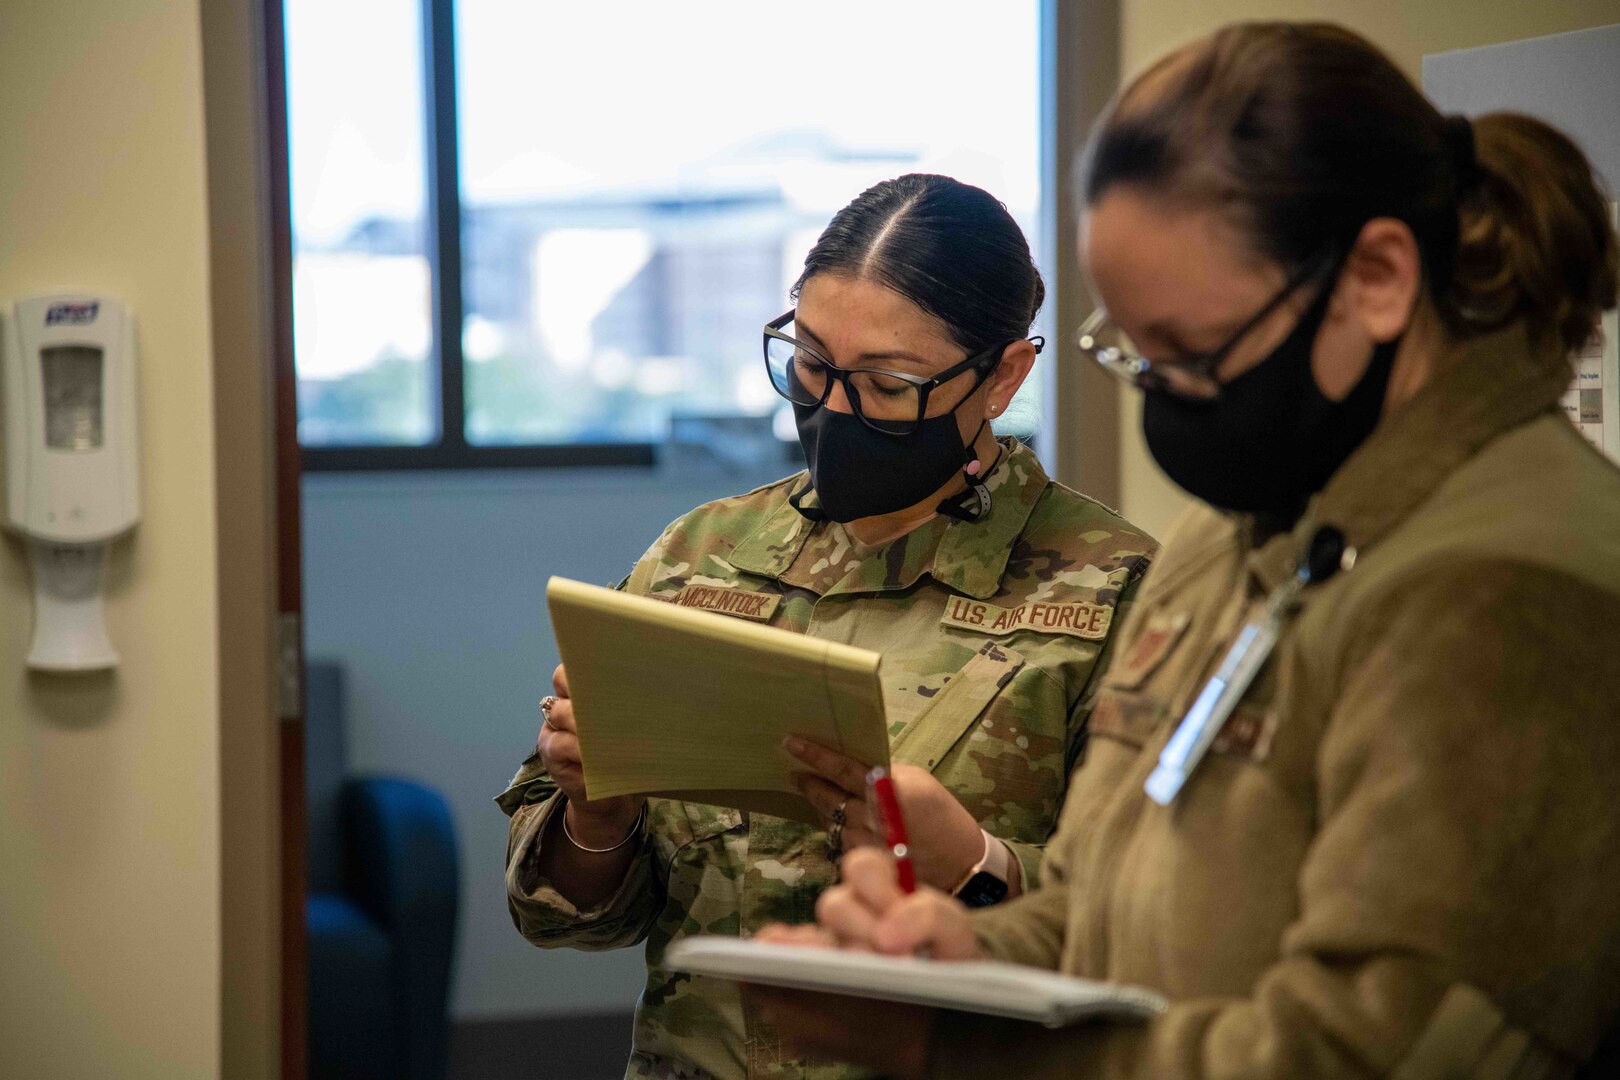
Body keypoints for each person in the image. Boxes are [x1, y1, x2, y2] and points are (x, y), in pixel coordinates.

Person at [752, 22, 1620, 1080]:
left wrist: (958, 1043)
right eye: (1131, 352)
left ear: (1379, 277)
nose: (1160, 404)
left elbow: (1371, 1051)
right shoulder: (1236, 531)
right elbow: (1101, 903)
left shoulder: (1507, 588)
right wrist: (956, 956)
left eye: (1189, 354)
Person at [496, 173, 1158, 1080]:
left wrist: (977, 869)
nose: (834, 410)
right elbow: (562, 918)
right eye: (810, 364)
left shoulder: (1114, 592)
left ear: (1003, 376)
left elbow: (1169, 932)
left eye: (890, 385)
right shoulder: (699, 558)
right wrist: (595, 811)